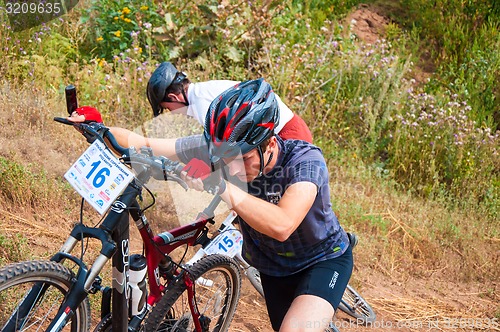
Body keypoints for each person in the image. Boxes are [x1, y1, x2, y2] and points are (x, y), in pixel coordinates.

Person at [68, 78, 352, 332]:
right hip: (273, 267)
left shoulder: (305, 161)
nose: (234, 167)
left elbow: (282, 225)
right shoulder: (225, 150)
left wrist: (219, 183)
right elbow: (141, 142)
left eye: (243, 158)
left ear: (269, 144)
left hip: (322, 261)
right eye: (224, 158)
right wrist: (98, 128)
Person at [146, 61, 313, 143]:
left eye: (168, 109)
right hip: (280, 132)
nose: (173, 113)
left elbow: (223, 150)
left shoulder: (204, 104)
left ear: (174, 98)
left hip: (286, 134)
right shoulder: (202, 93)